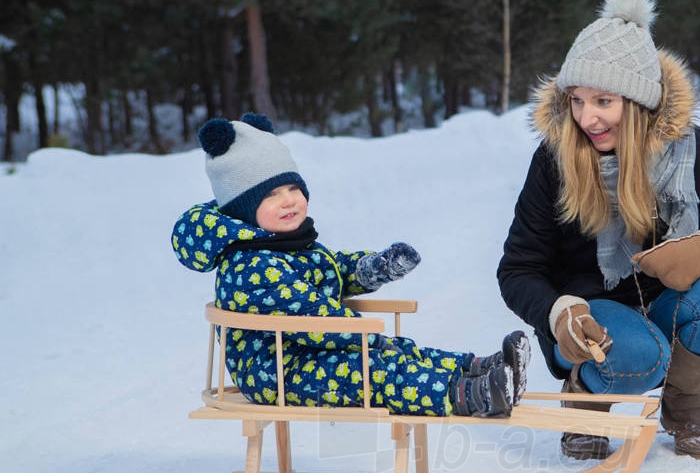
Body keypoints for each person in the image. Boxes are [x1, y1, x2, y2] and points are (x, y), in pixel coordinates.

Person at [497, 0, 700, 460]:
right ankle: (587, 399)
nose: (587, 118)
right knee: (638, 355)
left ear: (639, 101)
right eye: (577, 101)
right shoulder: (554, 160)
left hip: (668, 310)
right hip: (592, 322)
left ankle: (684, 404)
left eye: (603, 101)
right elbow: (517, 269)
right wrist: (558, 311)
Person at [172, 112, 530, 418]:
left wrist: (373, 267)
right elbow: (308, 316)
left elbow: (331, 270)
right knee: (378, 370)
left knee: (400, 351)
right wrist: (362, 333)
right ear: (243, 210)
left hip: (305, 355)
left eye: (292, 189)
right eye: (269, 195)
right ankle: (472, 394)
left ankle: (479, 368)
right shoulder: (250, 265)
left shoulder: (285, 245)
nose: (288, 202)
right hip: (279, 372)